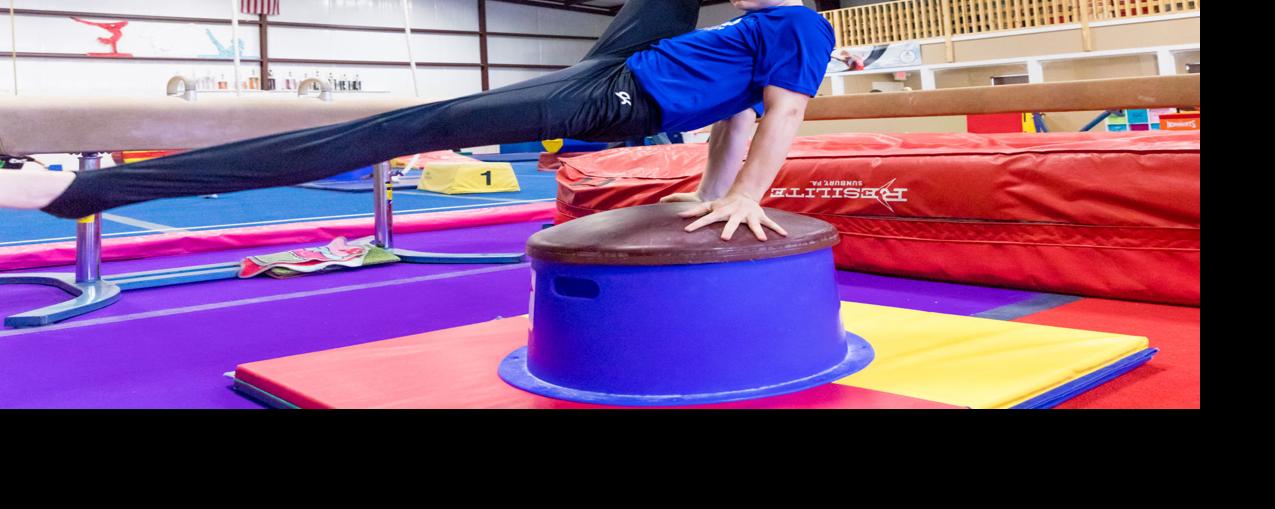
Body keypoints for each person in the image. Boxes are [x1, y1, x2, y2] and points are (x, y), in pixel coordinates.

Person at [0, 0, 835, 242]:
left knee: (398, 128)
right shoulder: (746, 24)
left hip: (612, 100)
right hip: (619, 66)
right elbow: (729, 123)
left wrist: (741, 200)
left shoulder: (800, 26)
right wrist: (704, 189)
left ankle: (79, 189)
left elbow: (776, 116)